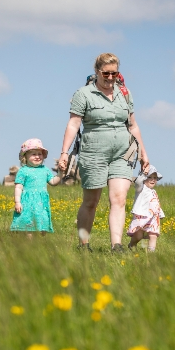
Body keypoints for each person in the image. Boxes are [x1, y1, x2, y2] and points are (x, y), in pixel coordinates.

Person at [58, 53, 149, 252]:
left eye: (114, 73)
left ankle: (116, 245)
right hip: (93, 152)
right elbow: (74, 124)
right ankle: (84, 244)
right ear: (97, 72)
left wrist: (143, 153)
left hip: (123, 153)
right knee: (91, 201)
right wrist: (64, 152)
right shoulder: (84, 94)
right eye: (106, 73)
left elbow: (133, 125)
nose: (110, 77)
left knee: (119, 198)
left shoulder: (124, 93)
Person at [10, 138, 60, 236]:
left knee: (43, 225)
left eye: (39, 154)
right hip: (28, 202)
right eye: (33, 154)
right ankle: (30, 246)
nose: (37, 156)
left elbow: (53, 182)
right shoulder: (23, 171)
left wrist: (61, 173)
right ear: (25, 157)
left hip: (41, 203)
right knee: (29, 225)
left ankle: (40, 245)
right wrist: (17, 202)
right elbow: (18, 187)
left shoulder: (45, 170)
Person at [127, 165, 165, 252]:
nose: (153, 179)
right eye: (150, 177)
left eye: (155, 178)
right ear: (144, 178)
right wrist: (144, 173)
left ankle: (151, 253)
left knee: (153, 235)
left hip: (153, 218)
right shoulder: (141, 188)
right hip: (142, 216)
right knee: (138, 235)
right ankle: (132, 245)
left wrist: (160, 214)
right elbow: (138, 182)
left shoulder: (154, 192)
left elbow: (156, 204)